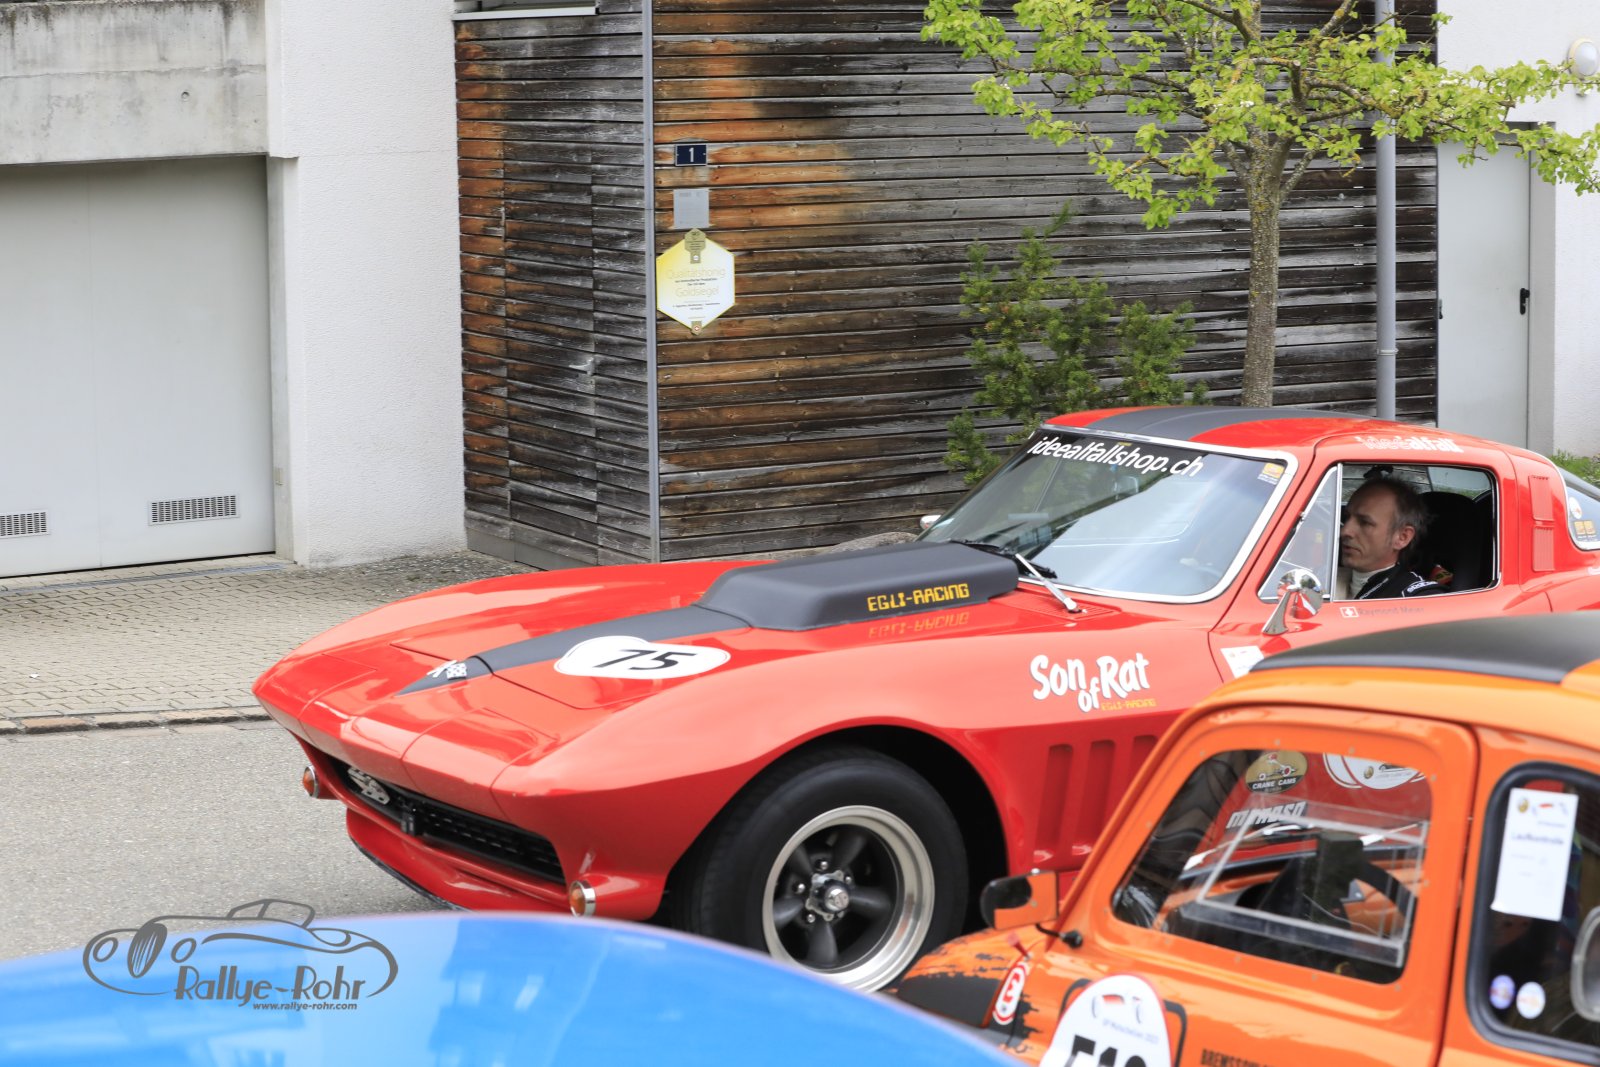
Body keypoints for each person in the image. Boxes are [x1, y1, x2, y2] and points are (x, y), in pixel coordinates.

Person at [1335, 477, 1444, 599]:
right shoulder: (1326, 577)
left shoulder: (1418, 598)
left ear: (1402, 537)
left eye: (1364, 522)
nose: (1344, 531)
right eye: (1346, 518)